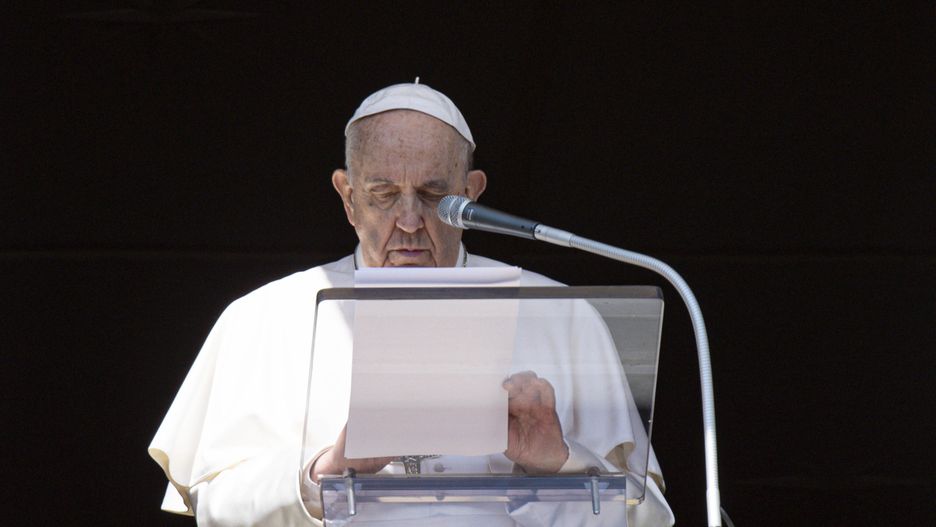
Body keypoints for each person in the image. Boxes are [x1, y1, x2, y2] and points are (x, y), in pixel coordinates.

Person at [149, 81, 675, 526]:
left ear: (471, 192)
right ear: (347, 198)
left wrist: (559, 463)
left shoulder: (562, 315)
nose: (407, 221)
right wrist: (325, 471)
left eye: (431, 195)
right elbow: (215, 508)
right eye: (382, 194)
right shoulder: (264, 318)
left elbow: (645, 516)